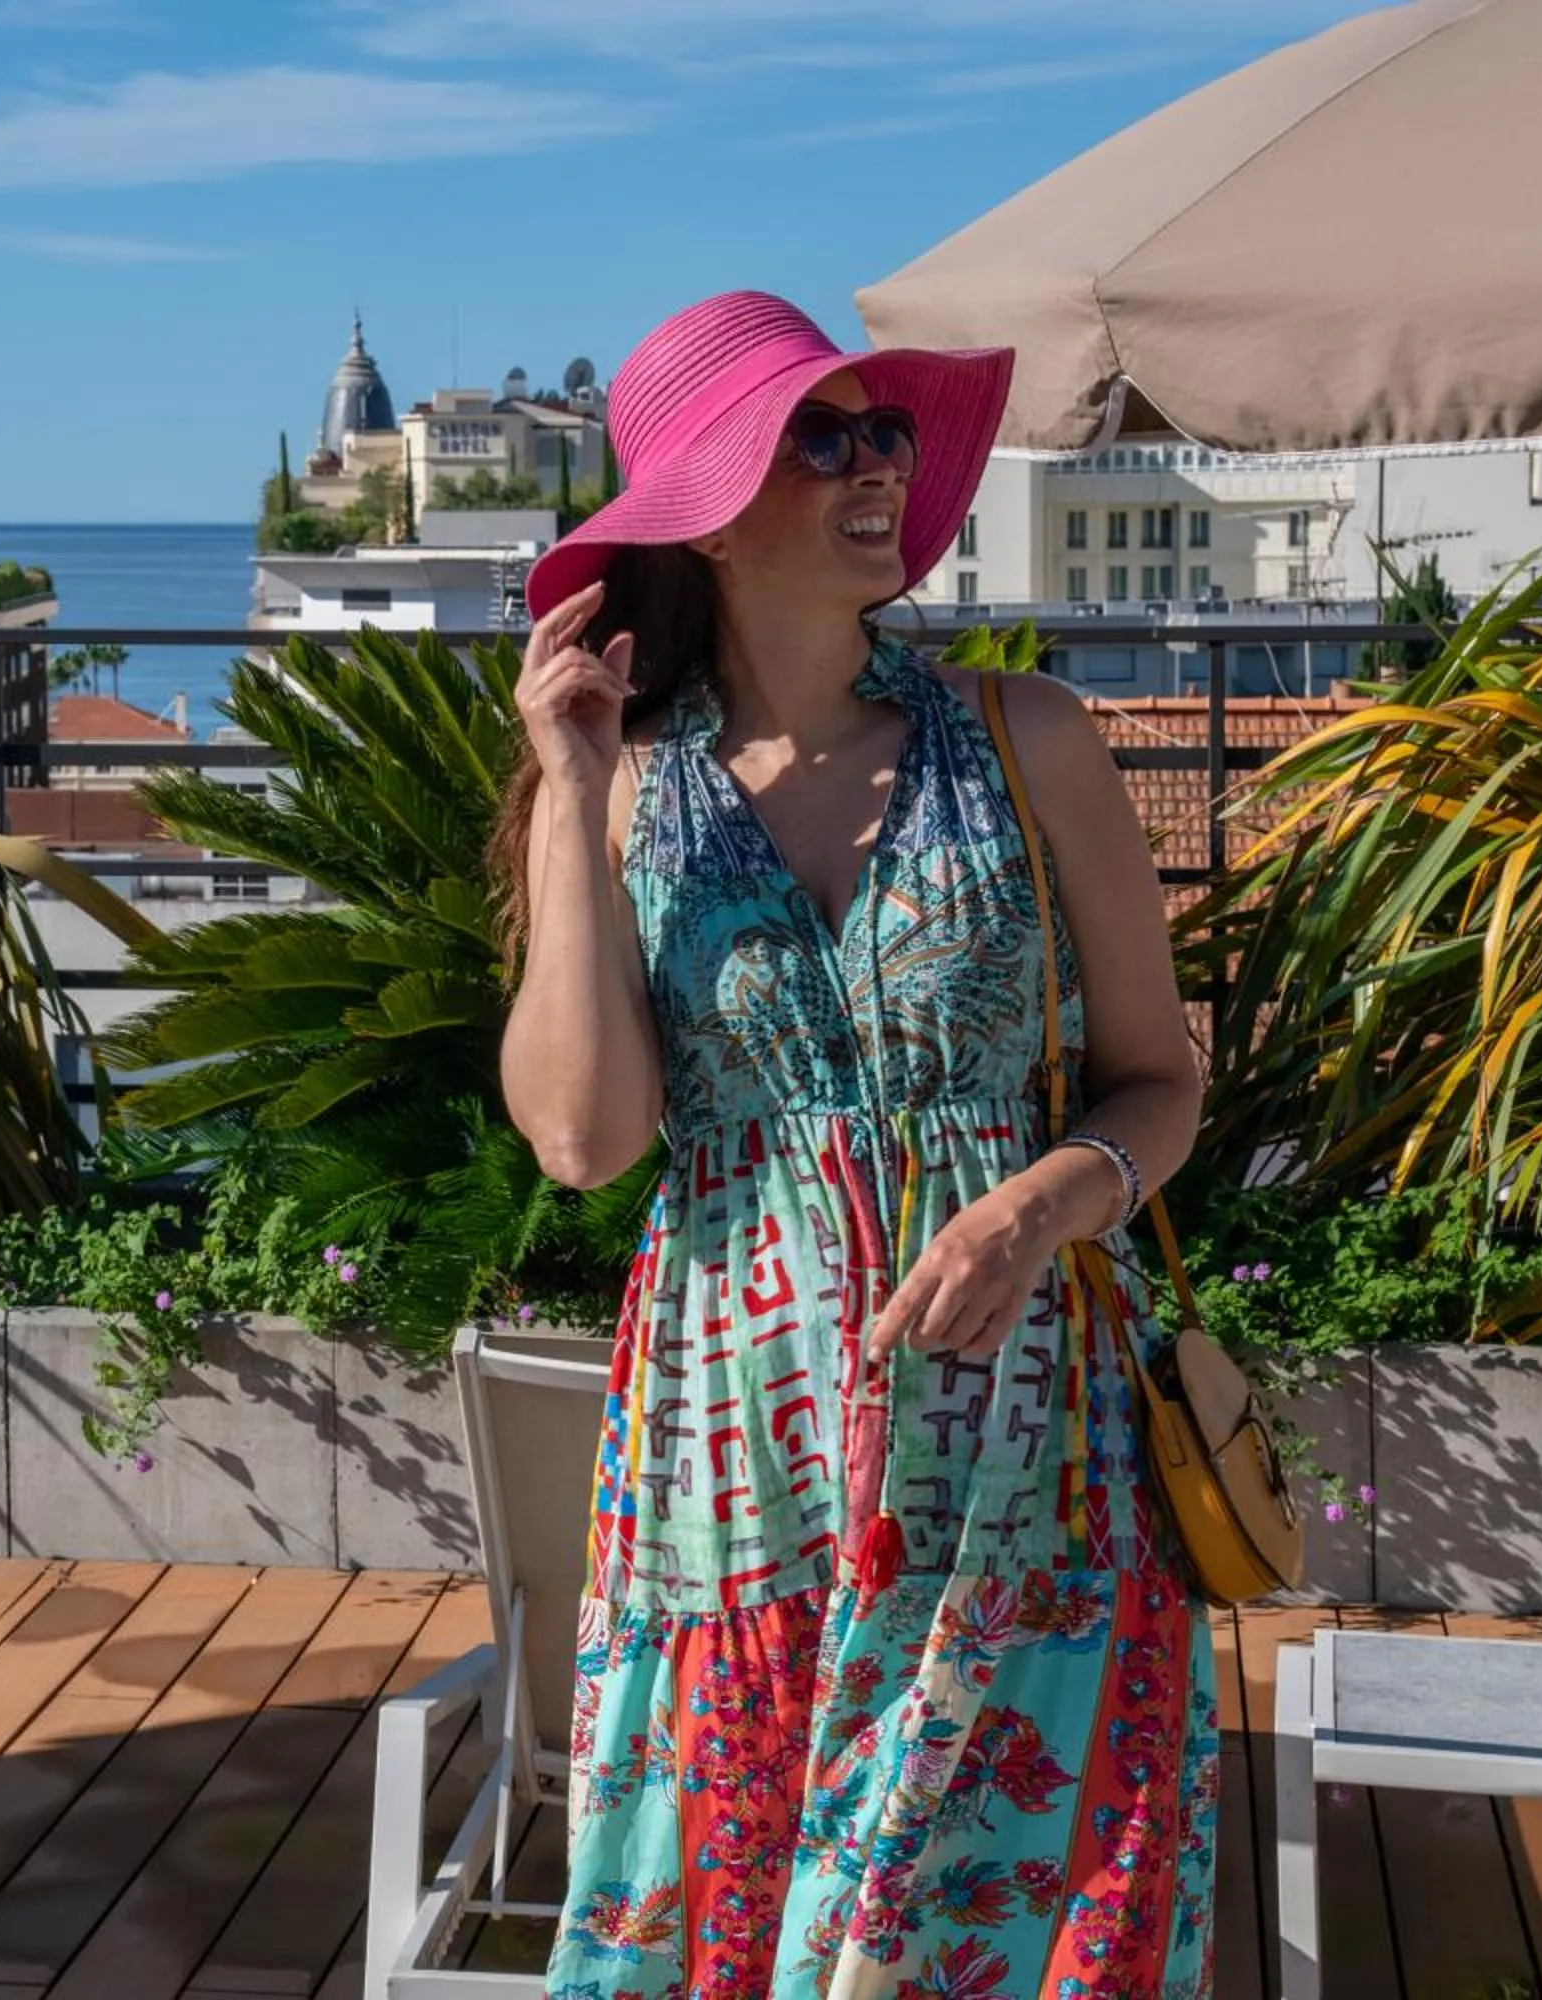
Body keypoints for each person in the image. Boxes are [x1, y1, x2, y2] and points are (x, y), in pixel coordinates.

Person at [493, 290, 1215, 1999]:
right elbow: (587, 1139)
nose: (878, 463)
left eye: (884, 429)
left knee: (1013, 1909)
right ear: (710, 509)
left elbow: (1158, 1082)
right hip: (735, 1448)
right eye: (823, 437)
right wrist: (574, 797)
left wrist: (1041, 1205)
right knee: (733, 1907)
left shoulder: (1027, 742)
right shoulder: (615, 781)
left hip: (1024, 1446)